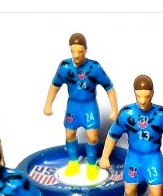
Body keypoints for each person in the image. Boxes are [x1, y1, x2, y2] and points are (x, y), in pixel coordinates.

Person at [43, 32, 118, 180]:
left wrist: (114, 109)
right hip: (73, 106)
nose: (76, 56)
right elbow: (55, 85)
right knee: (69, 134)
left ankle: (91, 164)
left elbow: (109, 87)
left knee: (92, 136)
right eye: (73, 51)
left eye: (80, 52)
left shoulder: (94, 67)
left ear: (86, 50)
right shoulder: (65, 67)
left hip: (89, 106)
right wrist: (48, 104)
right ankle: (73, 162)